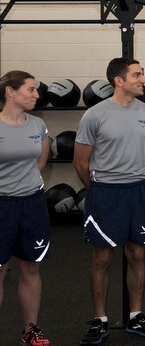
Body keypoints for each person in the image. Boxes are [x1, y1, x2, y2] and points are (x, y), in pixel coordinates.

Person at [74, 58, 145, 345]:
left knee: (137, 253)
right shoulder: (95, 115)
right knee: (102, 257)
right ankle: (99, 319)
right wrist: (98, 189)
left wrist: (132, 177)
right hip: (106, 192)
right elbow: (80, 162)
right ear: (119, 81)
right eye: (136, 75)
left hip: (138, 191)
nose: (142, 79)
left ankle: (136, 315)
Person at [0, 71, 52, 346]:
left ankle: (31, 330)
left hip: (32, 203)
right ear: (10, 92)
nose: (36, 95)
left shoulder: (38, 125)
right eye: (30, 89)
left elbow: (40, 162)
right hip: (1, 205)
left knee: (31, 268)